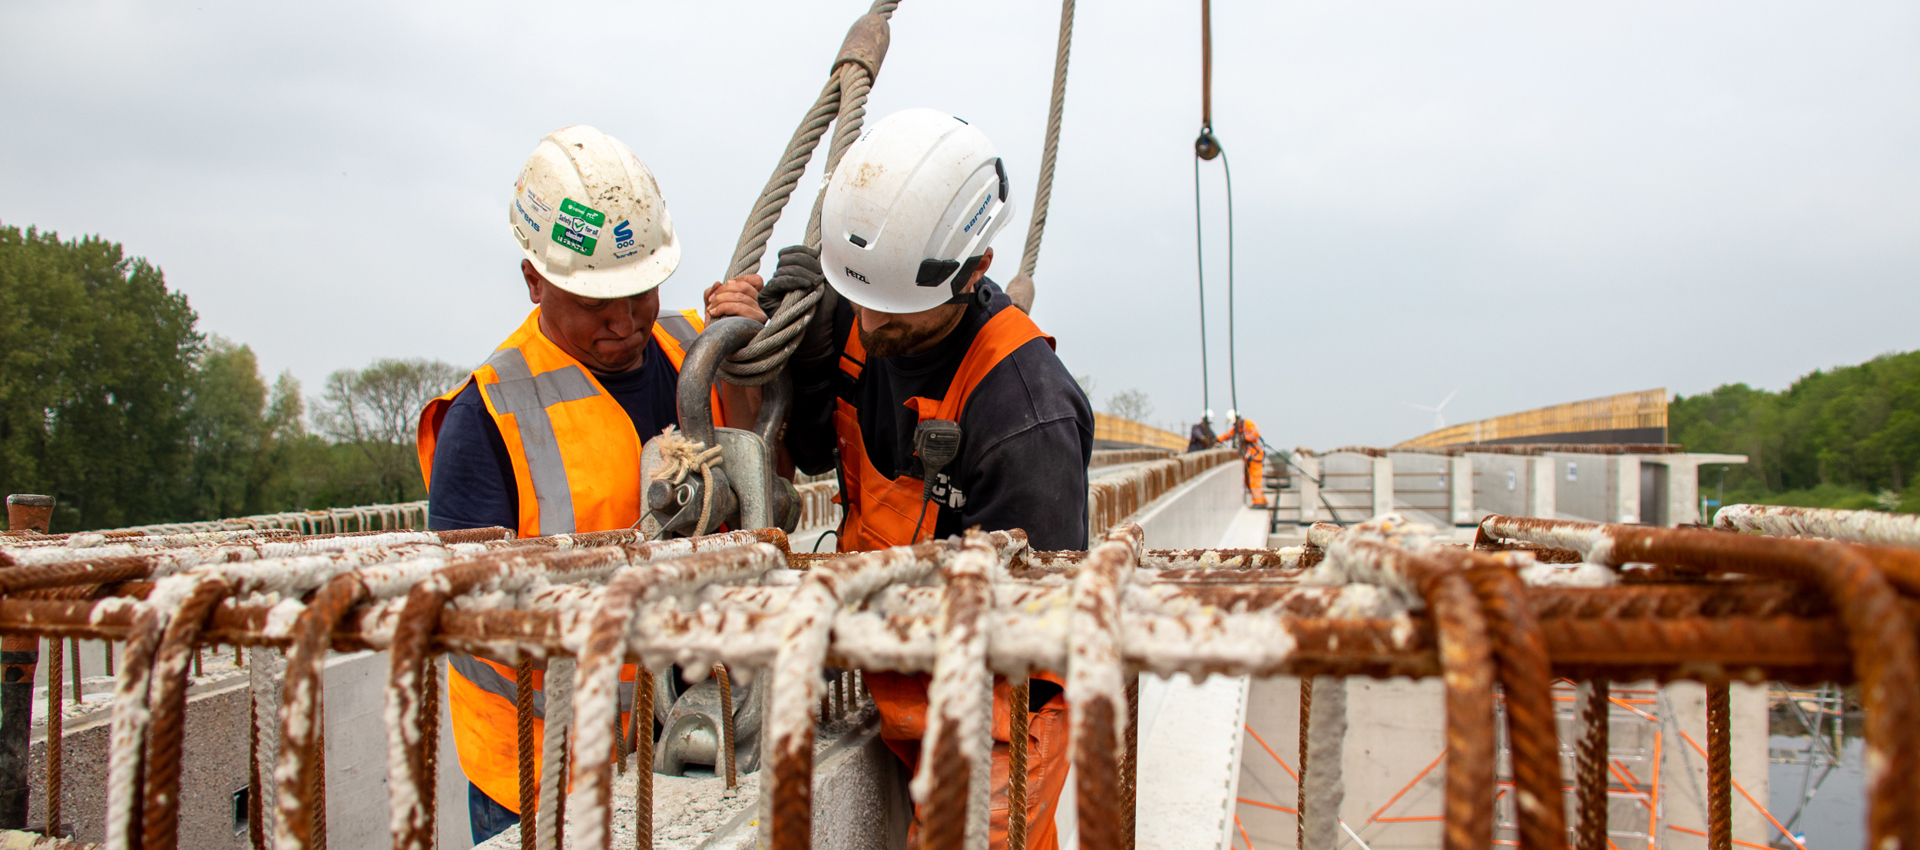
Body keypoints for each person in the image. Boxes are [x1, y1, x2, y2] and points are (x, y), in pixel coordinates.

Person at [417, 125, 763, 843]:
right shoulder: (487, 417)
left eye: (641, 293)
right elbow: (473, 615)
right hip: (542, 776)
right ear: (535, 280)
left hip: (683, 739)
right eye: (596, 301)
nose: (625, 321)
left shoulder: (687, 348)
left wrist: (742, 356)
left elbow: (761, 472)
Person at [771, 109, 1091, 850]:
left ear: (974, 271)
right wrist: (806, 364)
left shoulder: (1025, 414)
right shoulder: (862, 304)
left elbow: (1022, 640)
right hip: (894, 676)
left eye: (896, 312)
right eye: (860, 300)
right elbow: (819, 454)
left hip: (998, 714)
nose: (873, 327)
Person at [1218, 409, 1268, 507]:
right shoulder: (1237, 428)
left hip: (1255, 457)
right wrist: (1217, 439)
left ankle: (1259, 502)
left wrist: (1244, 437)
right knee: (1248, 480)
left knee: (1255, 480)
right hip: (1248, 457)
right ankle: (1261, 500)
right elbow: (1228, 435)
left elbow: (1255, 434)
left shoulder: (1248, 423)